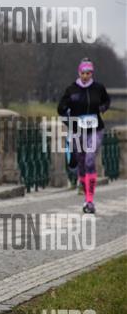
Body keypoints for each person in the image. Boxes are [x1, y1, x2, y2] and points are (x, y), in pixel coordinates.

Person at [57, 58, 110, 213]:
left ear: (92, 73)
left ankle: (89, 201)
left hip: (95, 129)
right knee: (81, 161)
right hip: (77, 130)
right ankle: (82, 183)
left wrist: (102, 107)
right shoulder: (71, 89)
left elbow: (107, 101)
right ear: (79, 72)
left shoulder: (98, 88)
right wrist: (65, 110)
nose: (85, 76)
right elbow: (60, 108)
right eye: (83, 73)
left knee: (89, 160)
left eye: (88, 73)